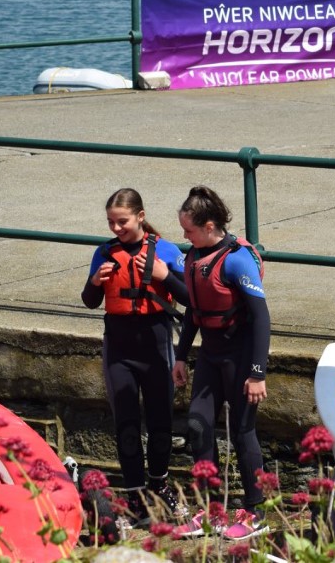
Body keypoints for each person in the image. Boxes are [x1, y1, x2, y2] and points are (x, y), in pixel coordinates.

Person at [82, 187, 189, 522]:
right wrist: (95, 283)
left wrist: (164, 276)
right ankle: (135, 496)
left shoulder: (167, 251)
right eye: (111, 223)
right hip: (119, 347)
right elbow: (89, 301)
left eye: (122, 222)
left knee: (160, 423)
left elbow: (189, 298)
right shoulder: (104, 253)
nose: (116, 229)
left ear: (140, 217)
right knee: (126, 425)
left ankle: (160, 484)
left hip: (155, 344)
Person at [171, 185, 271, 541]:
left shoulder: (236, 260)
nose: (184, 236)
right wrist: (181, 355)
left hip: (241, 356)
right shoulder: (194, 257)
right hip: (211, 355)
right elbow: (194, 312)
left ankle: (257, 509)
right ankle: (208, 509)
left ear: (210, 225)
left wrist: (257, 373)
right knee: (197, 427)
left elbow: (261, 318)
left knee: (243, 432)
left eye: (189, 230)